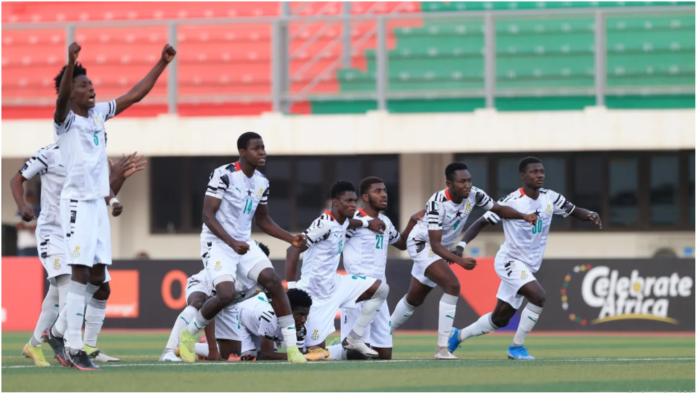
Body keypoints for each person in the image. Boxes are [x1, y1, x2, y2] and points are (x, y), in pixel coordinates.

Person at [42, 41, 175, 371]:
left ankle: (57, 332)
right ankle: (74, 346)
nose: (91, 88)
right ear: (70, 92)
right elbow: (60, 101)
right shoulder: (65, 120)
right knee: (81, 270)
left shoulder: (99, 113)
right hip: (75, 204)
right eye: (83, 85)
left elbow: (135, 95)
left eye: (91, 84)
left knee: (99, 278)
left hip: (97, 207)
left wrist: (162, 63)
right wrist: (70, 62)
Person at [179, 132, 344, 364]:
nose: (262, 152)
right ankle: (188, 335)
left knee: (274, 282)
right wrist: (231, 242)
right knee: (225, 294)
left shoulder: (261, 182)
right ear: (242, 152)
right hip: (217, 244)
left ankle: (293, 350)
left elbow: (263, 220)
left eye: (263, 147)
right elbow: (207, 215)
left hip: (243, 245)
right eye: (256, 148)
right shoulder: (223, 174)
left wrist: (290, 239)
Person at [448, 157, 602, 360]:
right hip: (509, 261)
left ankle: (457, 336)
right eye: (534, 172)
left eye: (542, 171)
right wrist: (461, 245)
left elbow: (574, 211)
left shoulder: (550, 198)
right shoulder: (512, 201)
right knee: (538, 297)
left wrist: (590, 213)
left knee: (499, 319)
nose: (539, 175)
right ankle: (516, 347)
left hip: (529, 266)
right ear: (523, 176)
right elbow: (480, 223)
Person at [11, 145, 144, 367]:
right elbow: (16, 179)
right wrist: (22, 204)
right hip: (53, 232)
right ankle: (71, 346)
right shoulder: (49, 154)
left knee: (99, 287)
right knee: (68, 287)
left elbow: (101, 197)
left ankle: (40, 344)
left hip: (80, 229)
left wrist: (118, 178)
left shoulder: (91, 155)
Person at [390, 162, 538, 360]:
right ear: (449, 184)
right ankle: (442, 348)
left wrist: (523, 216)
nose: (467, 185)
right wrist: (459, 261)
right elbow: (435, 246)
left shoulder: (475, 194)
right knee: (452, 286)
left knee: (414, 299)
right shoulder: (436, 202)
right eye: (462, 182)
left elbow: (499, 209)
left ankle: (383, 332)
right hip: (422, 245)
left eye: (469, 180)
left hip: (440, 248)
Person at [286, 180, 389, 358]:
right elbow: (293, 249)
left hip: (335, 284)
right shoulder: (323, 224)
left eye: (354, 201)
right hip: (315, 294)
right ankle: (337, 351)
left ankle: (354, 338)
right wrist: (292, 287)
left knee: (381, 289)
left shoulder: (343, 221)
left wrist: (367, 224)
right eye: (348, 201)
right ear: (335, 202)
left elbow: (348, 224)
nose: (352, 205)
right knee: (316, 355)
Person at [338, 176, 424, 360]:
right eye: (377, 191)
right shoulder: (355, 219)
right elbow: (335, 236)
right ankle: (332, 353)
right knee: (356, 355)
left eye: (384, 190)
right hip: (357, 293)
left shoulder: (385, 221)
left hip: (379, 295)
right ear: (366, 197)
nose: (384, 195)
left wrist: (411, 222)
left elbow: (400, 243)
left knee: (385, 354)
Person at [159, 242, 269, 362]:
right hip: (203, 286)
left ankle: (188, 347)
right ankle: (169, 351)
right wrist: (212, 349)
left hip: (227, 304)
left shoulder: (263, 279)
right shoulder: (228, 272)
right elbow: (209, 305)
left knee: (230, 354)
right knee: (198, 303)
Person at [205, 289, 326, 361]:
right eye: (300, 315)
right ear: (287, 310)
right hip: (240, 318)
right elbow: (266, 354)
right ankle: (204, 347)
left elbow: (297, 353)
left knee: (261, 355)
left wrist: (309, 354)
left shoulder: (303, 322)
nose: (303, 319)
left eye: (305, 315)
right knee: (246, 357)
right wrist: (307, 356)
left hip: (259, 325)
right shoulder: (270, 317)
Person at [15, 191, 40, 256]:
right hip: (24, 246)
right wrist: (31, 227)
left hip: (35, 246)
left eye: (31, 199)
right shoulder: (20, 213)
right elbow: (19, 226)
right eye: (28, 200)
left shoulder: (38, 212)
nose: (30, 202)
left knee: (36, 265)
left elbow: (38, 227)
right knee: (22, 266)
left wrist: (26, 227)